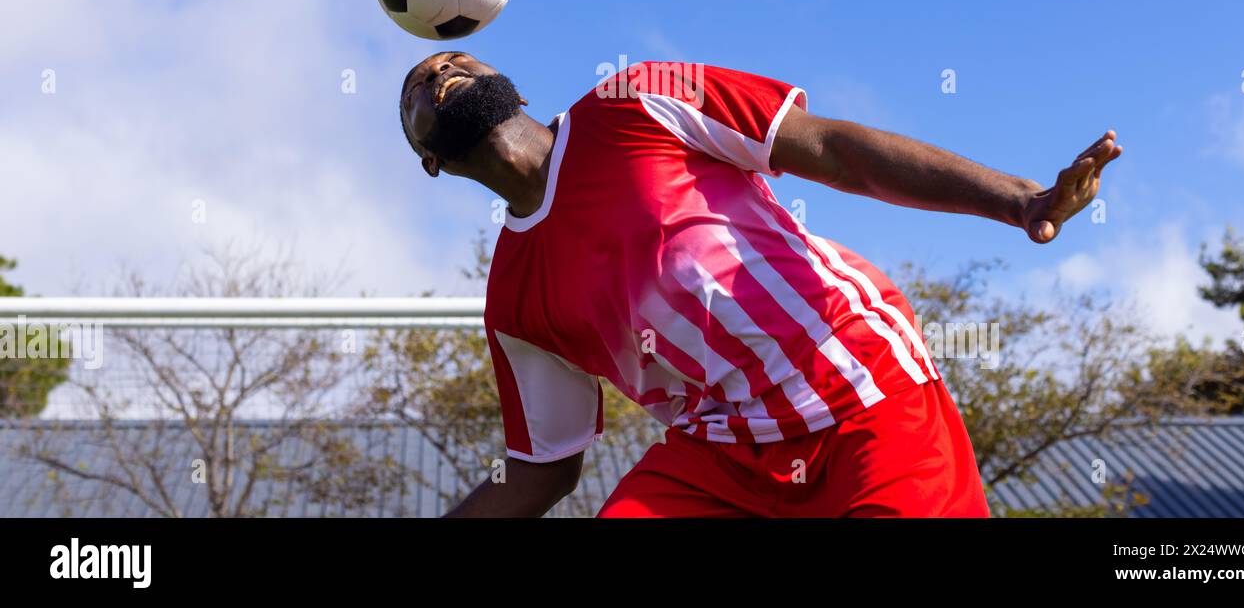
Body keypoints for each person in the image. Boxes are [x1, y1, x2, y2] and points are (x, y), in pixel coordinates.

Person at [398, 52, 1122, 517]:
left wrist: (1016, 200)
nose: (438, 73)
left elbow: (832, 149)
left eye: (455, 57)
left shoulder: (638, 97)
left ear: (512, 83)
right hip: (721, 451)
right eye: (417, 88)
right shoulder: (514, 302)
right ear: (429, 157)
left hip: (855, 384)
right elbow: (539, 472)